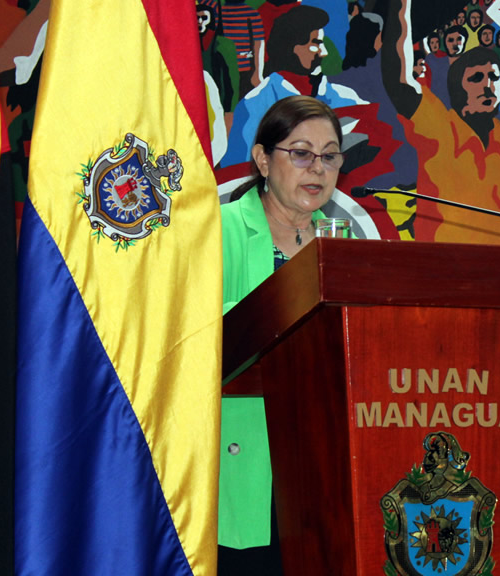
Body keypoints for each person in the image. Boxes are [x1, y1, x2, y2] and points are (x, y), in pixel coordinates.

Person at [218, 96, 344, 574]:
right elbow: (201, 329)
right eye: (301, 152)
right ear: (263, 159)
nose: (318, 167)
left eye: (330, 155)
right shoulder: (221, 230)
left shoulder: (343, 244)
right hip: (244, 456)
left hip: (321, 463)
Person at [382, 0, 500, 245]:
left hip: (499, 271)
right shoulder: (438, 127)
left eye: (494, 77)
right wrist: (402, 5)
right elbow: (398, 79)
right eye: (476, 78)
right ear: (457, 90)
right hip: (441, 270)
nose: (488, 85)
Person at [220, 5, 365, 168]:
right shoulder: (255, 105)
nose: (324, 52)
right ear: (291, 47)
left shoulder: (346, 98)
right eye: (316, 43)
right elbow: (238, 173)